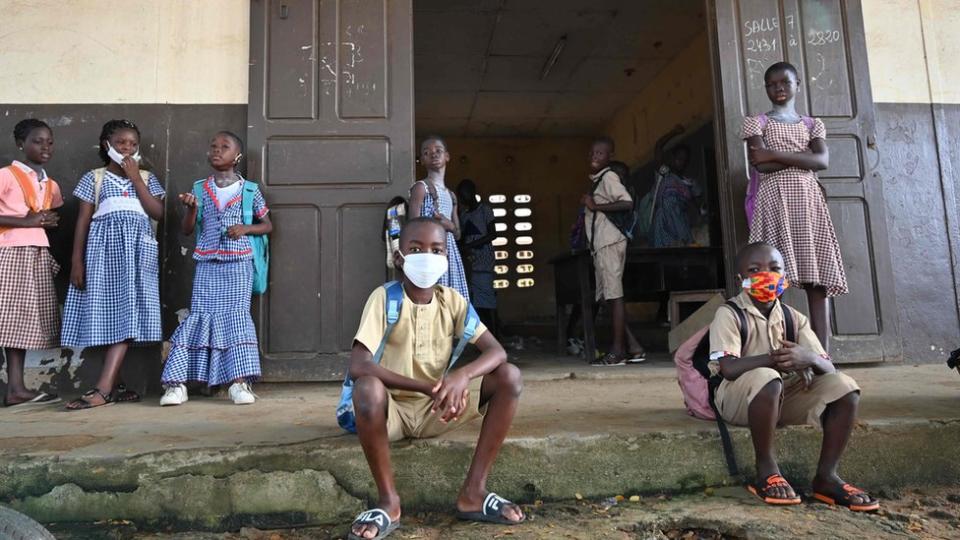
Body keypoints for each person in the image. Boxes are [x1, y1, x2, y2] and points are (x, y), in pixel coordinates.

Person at [345, 217, 524, 539]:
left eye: (436, 249)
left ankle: (474, 492)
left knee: (509, 377)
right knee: (367, 389)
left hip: (438, 409)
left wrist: (461, 376)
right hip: (392, 412)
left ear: (445, 258)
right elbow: (359, 365)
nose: (426, 255)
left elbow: (496, 352)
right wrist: (426, 387)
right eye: (416, 248)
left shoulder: (452, 301)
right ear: (399, 257)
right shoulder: (384, 298)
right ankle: (389, 503)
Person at [709, 242, 877, 512]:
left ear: (785, 277)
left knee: (845, 387)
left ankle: (827, 477)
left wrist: (807, 357)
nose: (767, 275)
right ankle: (766, 469)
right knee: (767, 376)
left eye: (775, 269)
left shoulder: (793, 318)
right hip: (738, 400)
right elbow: (727, 368)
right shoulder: (728, 314)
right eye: (755, 269)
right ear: (741, 279)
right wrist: (776, 359)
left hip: (781, 397)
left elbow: (827, 367)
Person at [159, 132, 272, 406]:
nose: (217, 151)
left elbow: (267, 225)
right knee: (200, 317)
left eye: (225, 147)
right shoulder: (199, 189)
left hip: (239, 264)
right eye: (213, 147)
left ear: (238, 156)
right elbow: (188, 230)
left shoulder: (249, 190)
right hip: (207, 264)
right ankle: (177, 385)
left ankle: (239, 383)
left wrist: (245, 228)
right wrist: (191, 210)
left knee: (236, 319)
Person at [61, 119, 165, 410]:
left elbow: (157, 212)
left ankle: (104, 389)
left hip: (138, 257)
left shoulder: (146, 177)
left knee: (128, 314)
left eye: (133, 144)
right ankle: (116, 385)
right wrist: (76, 262)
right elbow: (82, 222)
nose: (128, 149)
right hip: (102, 257)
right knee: (112, 316)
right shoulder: (93, 178)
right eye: (121, 143)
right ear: (107, 145)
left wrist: (135, 179)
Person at [744, 62, 846, 350]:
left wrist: (773, 153)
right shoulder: (756, 122)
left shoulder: (813, 124)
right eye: (772, 84)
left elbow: (822, 161)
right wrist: (802, 156)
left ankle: (822, 354)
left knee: (818, 279)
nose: (779, 88)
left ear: (797, 85)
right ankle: (777, 350)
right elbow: (760, 165)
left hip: (808, 202)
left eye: (785, 82)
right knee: (772, 278)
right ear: (766, 88)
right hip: (774, 201)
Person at [0, 119, 63, 408]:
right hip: (11, 252)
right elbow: (27, 219)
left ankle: (16, 388)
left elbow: (47, 218)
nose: (45, 147)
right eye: (38, 141)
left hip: (35, 254)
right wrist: (26, 221)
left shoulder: (50, 184)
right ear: (21, 145)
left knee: (20, 322)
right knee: (8, 318)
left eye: (49, 141)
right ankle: (15, 388)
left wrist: (46, 222)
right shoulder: (6, 175)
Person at [581, 137, 644, 365]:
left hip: (610, 243)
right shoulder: (599, 180)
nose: (594, 157)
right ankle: (634, 346)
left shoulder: (608, 177)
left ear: (610, 156)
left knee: (614, 297)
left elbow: (626, 202)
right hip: (601, 245)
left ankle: (618, 352)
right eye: (592, 153)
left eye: (600, 153)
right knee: (607, 297)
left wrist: (595, 205)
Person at [408, 136, 469, 301]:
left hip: (449, 255)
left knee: (452, 300)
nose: (433, 155)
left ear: (447, 156)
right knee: (432, 298)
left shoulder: (451, 195)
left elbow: (458, 235)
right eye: (427, 153)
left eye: (438, 151)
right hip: (429, 254)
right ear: (422, 160)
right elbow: (412, 227)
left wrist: (448, 225)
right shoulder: (421, 188)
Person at [456, 178, 497, 334]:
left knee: (488, 303)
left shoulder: (485, 210)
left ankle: (495, 338)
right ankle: (486, 339)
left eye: (462, 194)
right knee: (477, 304)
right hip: (471, 265)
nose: (461, 198)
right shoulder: (465, 216)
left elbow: (493, 234)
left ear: (470, 192)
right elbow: (461, 237)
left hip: (485, 263)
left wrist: (470, 245)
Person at [651, 126, 702, 248]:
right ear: (672, 158)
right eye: (679, 158)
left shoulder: (689, 182)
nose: (681, 162)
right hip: (663, 221)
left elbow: (697, 206)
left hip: (681, 222)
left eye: (685, 160)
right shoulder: (664, 173)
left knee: (684, 250)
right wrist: (673, 132)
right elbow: (658, 146)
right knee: (664, 253)